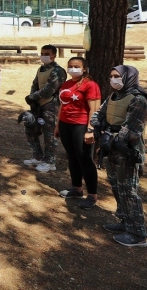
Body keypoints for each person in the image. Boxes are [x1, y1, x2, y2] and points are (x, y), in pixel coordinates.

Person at [92, 66, 147, 247]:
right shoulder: (114, 96)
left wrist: (110, 138)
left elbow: (132, 130)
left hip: (127, 151)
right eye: (111, 76)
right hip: (111, 148)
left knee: (129, 192)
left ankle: (138, 235)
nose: (113, 80)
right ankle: (124, 221)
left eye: (117, 76)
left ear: (129, 78)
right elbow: (98, 113)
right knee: (116, 187)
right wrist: (98, 126)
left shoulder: (139, 100)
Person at [55, 57, 101, 209]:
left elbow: (94, 110)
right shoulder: (66, 84)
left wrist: (90, 129)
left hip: (80, 125)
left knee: (85, 159)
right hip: (65, 124)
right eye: (70, 66)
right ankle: (77, 188)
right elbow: (63, 105)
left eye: (76, 66)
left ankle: (92, 195)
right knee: (72, 156)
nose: (73, 69)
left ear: (84, 69)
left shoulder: (90, 85)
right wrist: (57, 125)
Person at [23, 44, 66, 173]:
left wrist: (33, 96)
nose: (44, 56)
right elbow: (35, 84)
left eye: (47, 54)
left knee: (50, 135)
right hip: (38, 106)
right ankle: (38, 156)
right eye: (42, 53)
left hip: (51, 106)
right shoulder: (41, 69)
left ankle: (50, 161)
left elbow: (49, 90)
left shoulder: (58, 71)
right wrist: (32, 98)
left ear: (54, 55)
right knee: (31, 129)